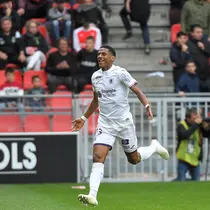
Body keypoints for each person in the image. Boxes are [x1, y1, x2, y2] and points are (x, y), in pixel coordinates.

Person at [72, 45, 169, 206]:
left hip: (124, 123)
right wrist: (83, 117)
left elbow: (137, 91)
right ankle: (92, 195)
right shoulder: (95, 76)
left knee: (134, 159)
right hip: (105, 124)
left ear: (112, 58)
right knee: (98, 156)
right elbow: (96, 100)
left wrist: (146, 105)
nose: (100, 57)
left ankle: (154, 147)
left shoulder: (120, 73)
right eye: (98, 54)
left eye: (104, 54)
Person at [176, 108, 210, 181]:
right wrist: (196, 124)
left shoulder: (198, 126)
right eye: (193, 118)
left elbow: (206, 135)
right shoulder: (181, 125)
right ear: (188, 118)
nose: (195, 120)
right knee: (181, 181)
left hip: (195, 159)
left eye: (196, 118)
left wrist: (206, 127)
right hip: (183, 158)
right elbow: (184, 135)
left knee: (196, 182)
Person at [187, 24, 210, 92]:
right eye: (198, 32)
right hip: (194, 76)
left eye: (201, 32)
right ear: (192, 33)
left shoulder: (205, 42)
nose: (200, 34)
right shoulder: (187, 43)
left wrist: (203, 48)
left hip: (206, 76)